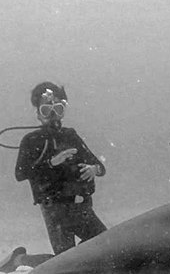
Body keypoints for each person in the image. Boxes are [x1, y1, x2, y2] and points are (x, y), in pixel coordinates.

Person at [14, 82, 108, 255]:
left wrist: (94, 169)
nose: (53, 115)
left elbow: (100, 167)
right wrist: (51, 163)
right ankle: (21, 260)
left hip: (82, 208)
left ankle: (79, 260)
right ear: (38, 114)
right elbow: (20, 174)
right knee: (65, 261)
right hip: (55, 211)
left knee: (105, 246)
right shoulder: (31, 140)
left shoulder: (70, 135)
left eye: (58, 109)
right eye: (46, 110)